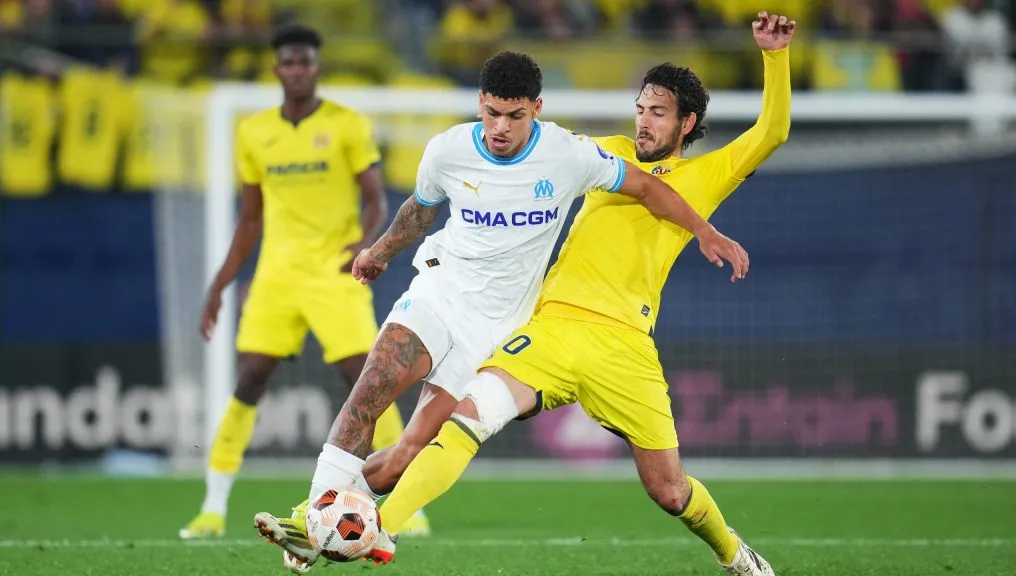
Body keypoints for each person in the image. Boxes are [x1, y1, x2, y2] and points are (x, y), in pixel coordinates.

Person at [254, 50, 749, 573]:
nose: (500, 128)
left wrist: (704, 231)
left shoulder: (568, 155)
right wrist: (379, 252)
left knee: (409, 452)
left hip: (497, 326)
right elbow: (419, 211)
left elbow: (647, 186)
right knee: (369, 391)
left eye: (515, 116)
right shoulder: (447, 150)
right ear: (480, 104)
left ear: (537, 109)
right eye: (491, 113)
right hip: (439, 293)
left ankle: (326, 526)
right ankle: (310, 523)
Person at [369, 11, 795, 576]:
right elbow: (536, 155)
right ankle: (378, 528)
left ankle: (734, 555)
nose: (643, 122)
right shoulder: (606, 152)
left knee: (669, 491)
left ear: (687, 123)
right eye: (640, 109)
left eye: (658, 113)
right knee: (469, 418)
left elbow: (773, 132)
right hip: (551, 329)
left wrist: (774, 56)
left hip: (625, 345)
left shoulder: (709, 175)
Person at [178, 24, 427, 540]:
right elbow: (250, 218)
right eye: (289, 62)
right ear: (277, 69)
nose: (297, 70)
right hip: (277, 275)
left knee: (368, 382)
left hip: (334, 273)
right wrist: (221, 284)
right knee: (250, 378)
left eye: (305, 62)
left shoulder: (346, 125)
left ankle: (408, 504)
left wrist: (363, 245)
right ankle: (212, 507)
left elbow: (376, 199)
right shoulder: (254, 133)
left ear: (317, 67)